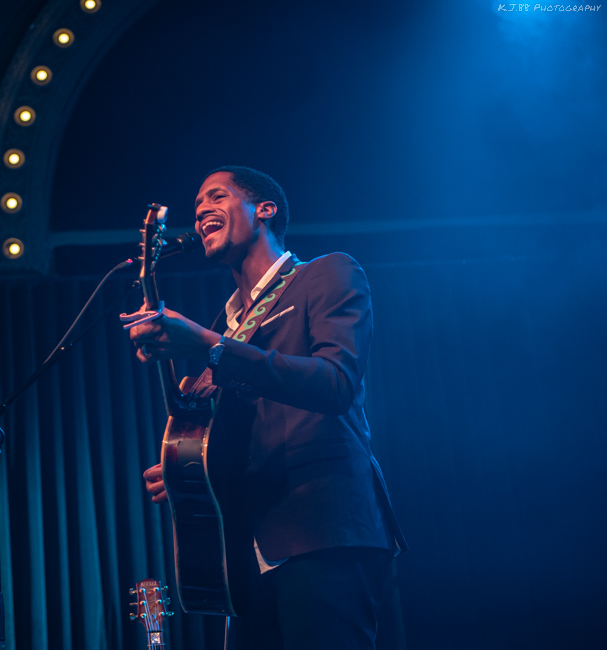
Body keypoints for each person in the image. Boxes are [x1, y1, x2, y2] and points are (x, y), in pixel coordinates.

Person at [128, 166, 407, 648]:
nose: (201, 210)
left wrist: (212, 346)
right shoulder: (226, 324)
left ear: (265, 209)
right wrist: (184, 470)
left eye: (216, 197)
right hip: (243, 556)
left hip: (321, 532)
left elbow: (336, 382)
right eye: (196, 206)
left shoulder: (326, 273)